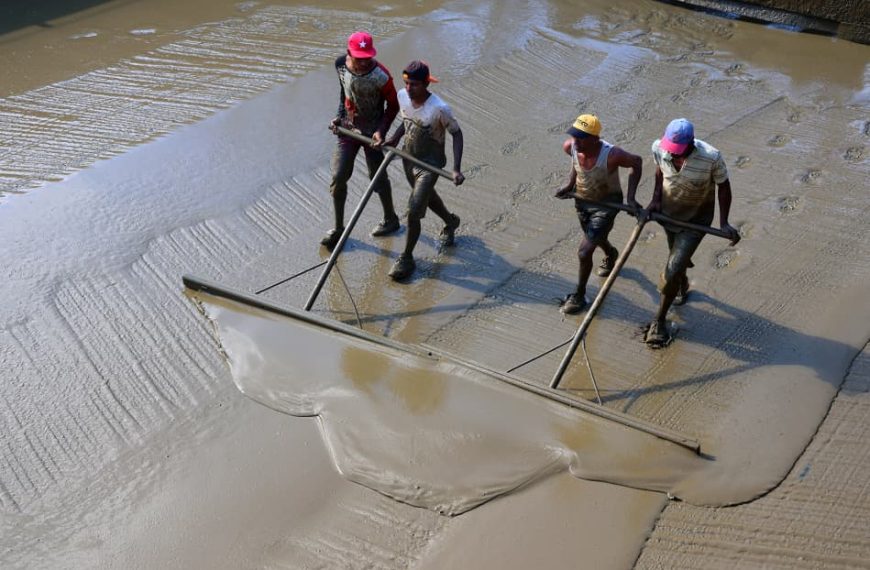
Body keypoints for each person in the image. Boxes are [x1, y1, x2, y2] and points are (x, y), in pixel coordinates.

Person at [645, 118, 741, 345]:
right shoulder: (659, 148)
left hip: (696, 221)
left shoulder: (711, 157)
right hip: (668, 215)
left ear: (691, 143)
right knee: (676, 257)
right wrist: (655, 200)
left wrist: (724, 223)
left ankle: (659, 321)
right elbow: (659, 172)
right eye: (671, 149)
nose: (673, 154)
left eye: (678, 150)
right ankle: (682, 283)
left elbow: (724, 187)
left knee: (671, 270)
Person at [380, 60, 465, 281]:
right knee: (426, 199)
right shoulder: (402, 96)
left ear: (426, 84)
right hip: (409, 158)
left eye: (415, 84)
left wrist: (456, 168)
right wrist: (394, 138)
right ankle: (451, 221)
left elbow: (457, 133)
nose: (409, 89)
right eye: (407, 83)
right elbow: (407, 119)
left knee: (414, 210)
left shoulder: (439, 108)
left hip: (430, 165)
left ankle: (406, 258)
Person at [555, 114, 642, 314]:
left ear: (595, 139)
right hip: (583, 202)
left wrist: (631, 199)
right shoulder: (571, 147)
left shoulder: (612, 155)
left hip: (607, 206)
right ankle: (611, 254)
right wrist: (569, 184)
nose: (576, 142)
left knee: (584, 251)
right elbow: (575, 163)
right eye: (574, 137)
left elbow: (636, 162)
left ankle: (579, 295)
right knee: (595, 237)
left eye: (581, 138)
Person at [322, 31, 401, 251]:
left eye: (368, 58)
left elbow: (393, 106)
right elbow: (344, 93)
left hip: (372, 132)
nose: (364, 62)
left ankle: (391, 219)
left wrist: (381, 131)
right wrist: (338, 116)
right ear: (349, 53)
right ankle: (338, 228)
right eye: (359, 58)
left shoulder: (381, 76)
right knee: (339, 177)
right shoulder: (340, 65)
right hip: (348, 129)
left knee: (377, 177)